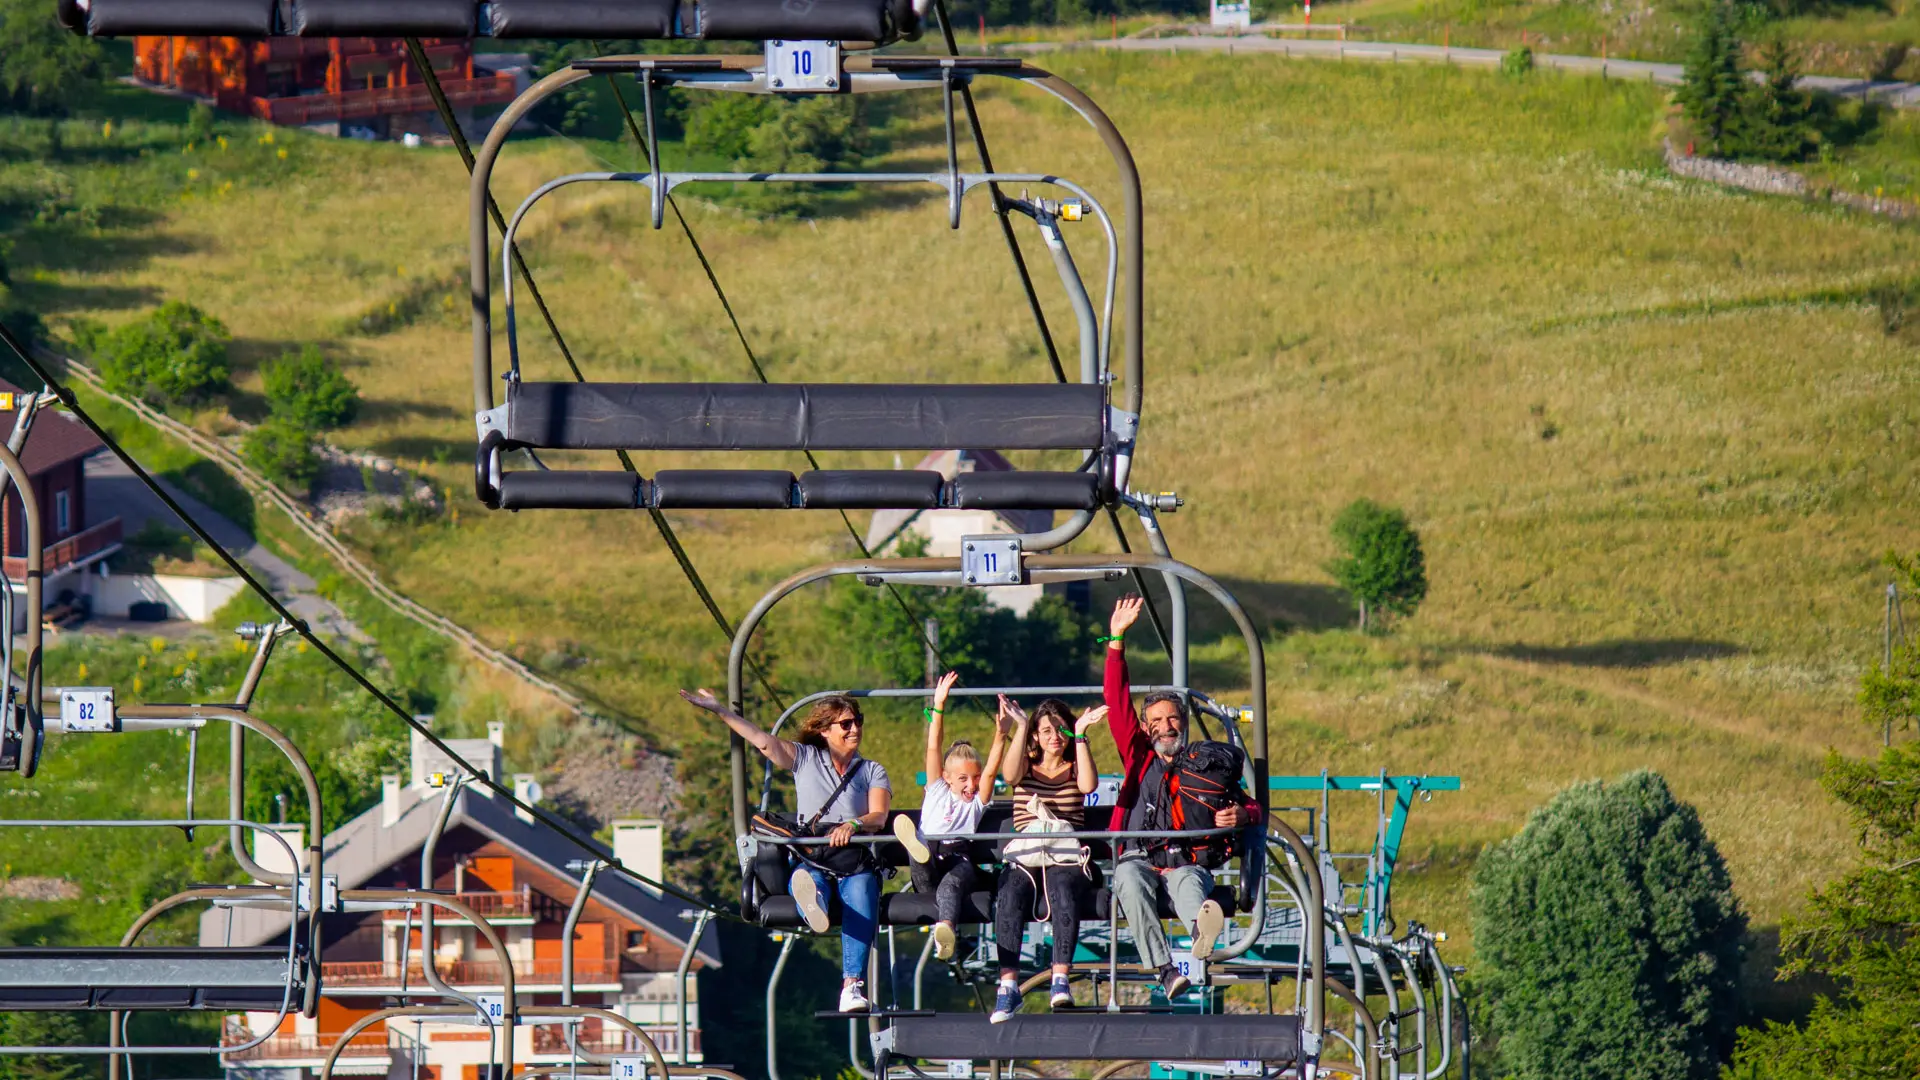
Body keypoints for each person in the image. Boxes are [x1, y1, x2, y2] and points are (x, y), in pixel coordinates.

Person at [681, 688, 889, 1013]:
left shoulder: (871, 770)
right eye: (846, 724)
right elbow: (764, 742)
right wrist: (720, 710)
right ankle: (813, 904)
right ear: (825, 730)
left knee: (862, 893)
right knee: (808, 879)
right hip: (814, 852)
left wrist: (855, 825)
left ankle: (852, 986)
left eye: (858, 722)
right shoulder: (806, 758)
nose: (855, 729)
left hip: (853, 855)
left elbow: (878, 816)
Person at [1102, 595, 1263, 1000]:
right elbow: (1117, 701)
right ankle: (1165, 970)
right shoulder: (1138, 757)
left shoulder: (1203, 764)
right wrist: (1116, 640)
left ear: (1185, 722)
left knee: (1192, 886)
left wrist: (1240, 816)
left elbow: (1253, 805)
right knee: (1126, 879)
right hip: (1141, 858)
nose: (1166, 727)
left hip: (1186, 863)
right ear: (1145, 727)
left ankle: (1200, 933)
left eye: (1172, 719)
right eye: (1156, 721)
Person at [988, 695, 1105, 1022]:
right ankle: (1008, 985)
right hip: (1027, 855)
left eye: (1061, 730)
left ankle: (1060, 978)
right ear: (1036, 737)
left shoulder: (1074, 767)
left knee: (1062, 889)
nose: (1055, 737)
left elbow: (1088, 784)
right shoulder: (1026, 767)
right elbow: (1009, 776)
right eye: (1047, 731)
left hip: (1065, 857)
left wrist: (1080, 735)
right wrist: (1022, 726)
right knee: (1009, 894)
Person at [892, 670, 1007, 962]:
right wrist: (939, 705)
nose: (972, 785)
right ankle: (917, 850)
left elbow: (993, 769)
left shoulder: (977, 802)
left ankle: (944, 929)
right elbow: (934, 746)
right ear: (947, 777)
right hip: (930, 856)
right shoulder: (937, 791)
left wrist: (1001, 734)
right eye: (963, 779)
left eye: (975, 778)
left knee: (951, 884)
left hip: (960, 857)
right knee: (921, 864)